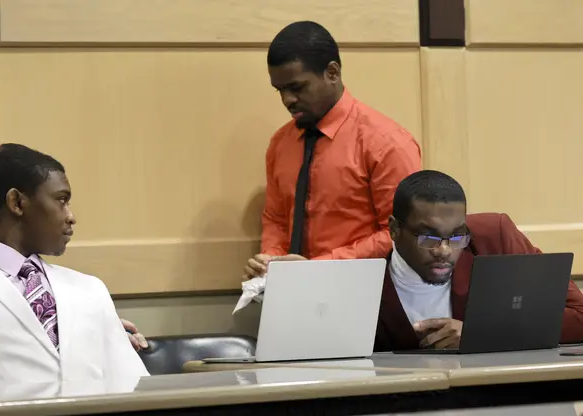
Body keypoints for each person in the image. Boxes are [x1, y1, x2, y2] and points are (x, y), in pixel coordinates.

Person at [0, 144, 149, 388]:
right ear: (17, 202)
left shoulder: (91, 290)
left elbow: (134, 389)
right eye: (62, 200)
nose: (71, 216)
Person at [243, 21, 422, 280]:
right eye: (280, 90)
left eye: (297, 87)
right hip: (294, 293)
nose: (287, 100)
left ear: (332, 72)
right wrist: (271, 261)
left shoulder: (387, 143)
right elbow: (277, 220)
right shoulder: (280, 143)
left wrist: (320, 267)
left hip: (368, 295)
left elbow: (400, 234)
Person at [374, 170, 583, 351]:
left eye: (457, 237)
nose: (444, 250)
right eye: (429, 238)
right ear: (394, 229)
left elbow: (579, 316)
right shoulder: (366, 278)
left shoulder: (493, 239)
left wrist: (480, 334)